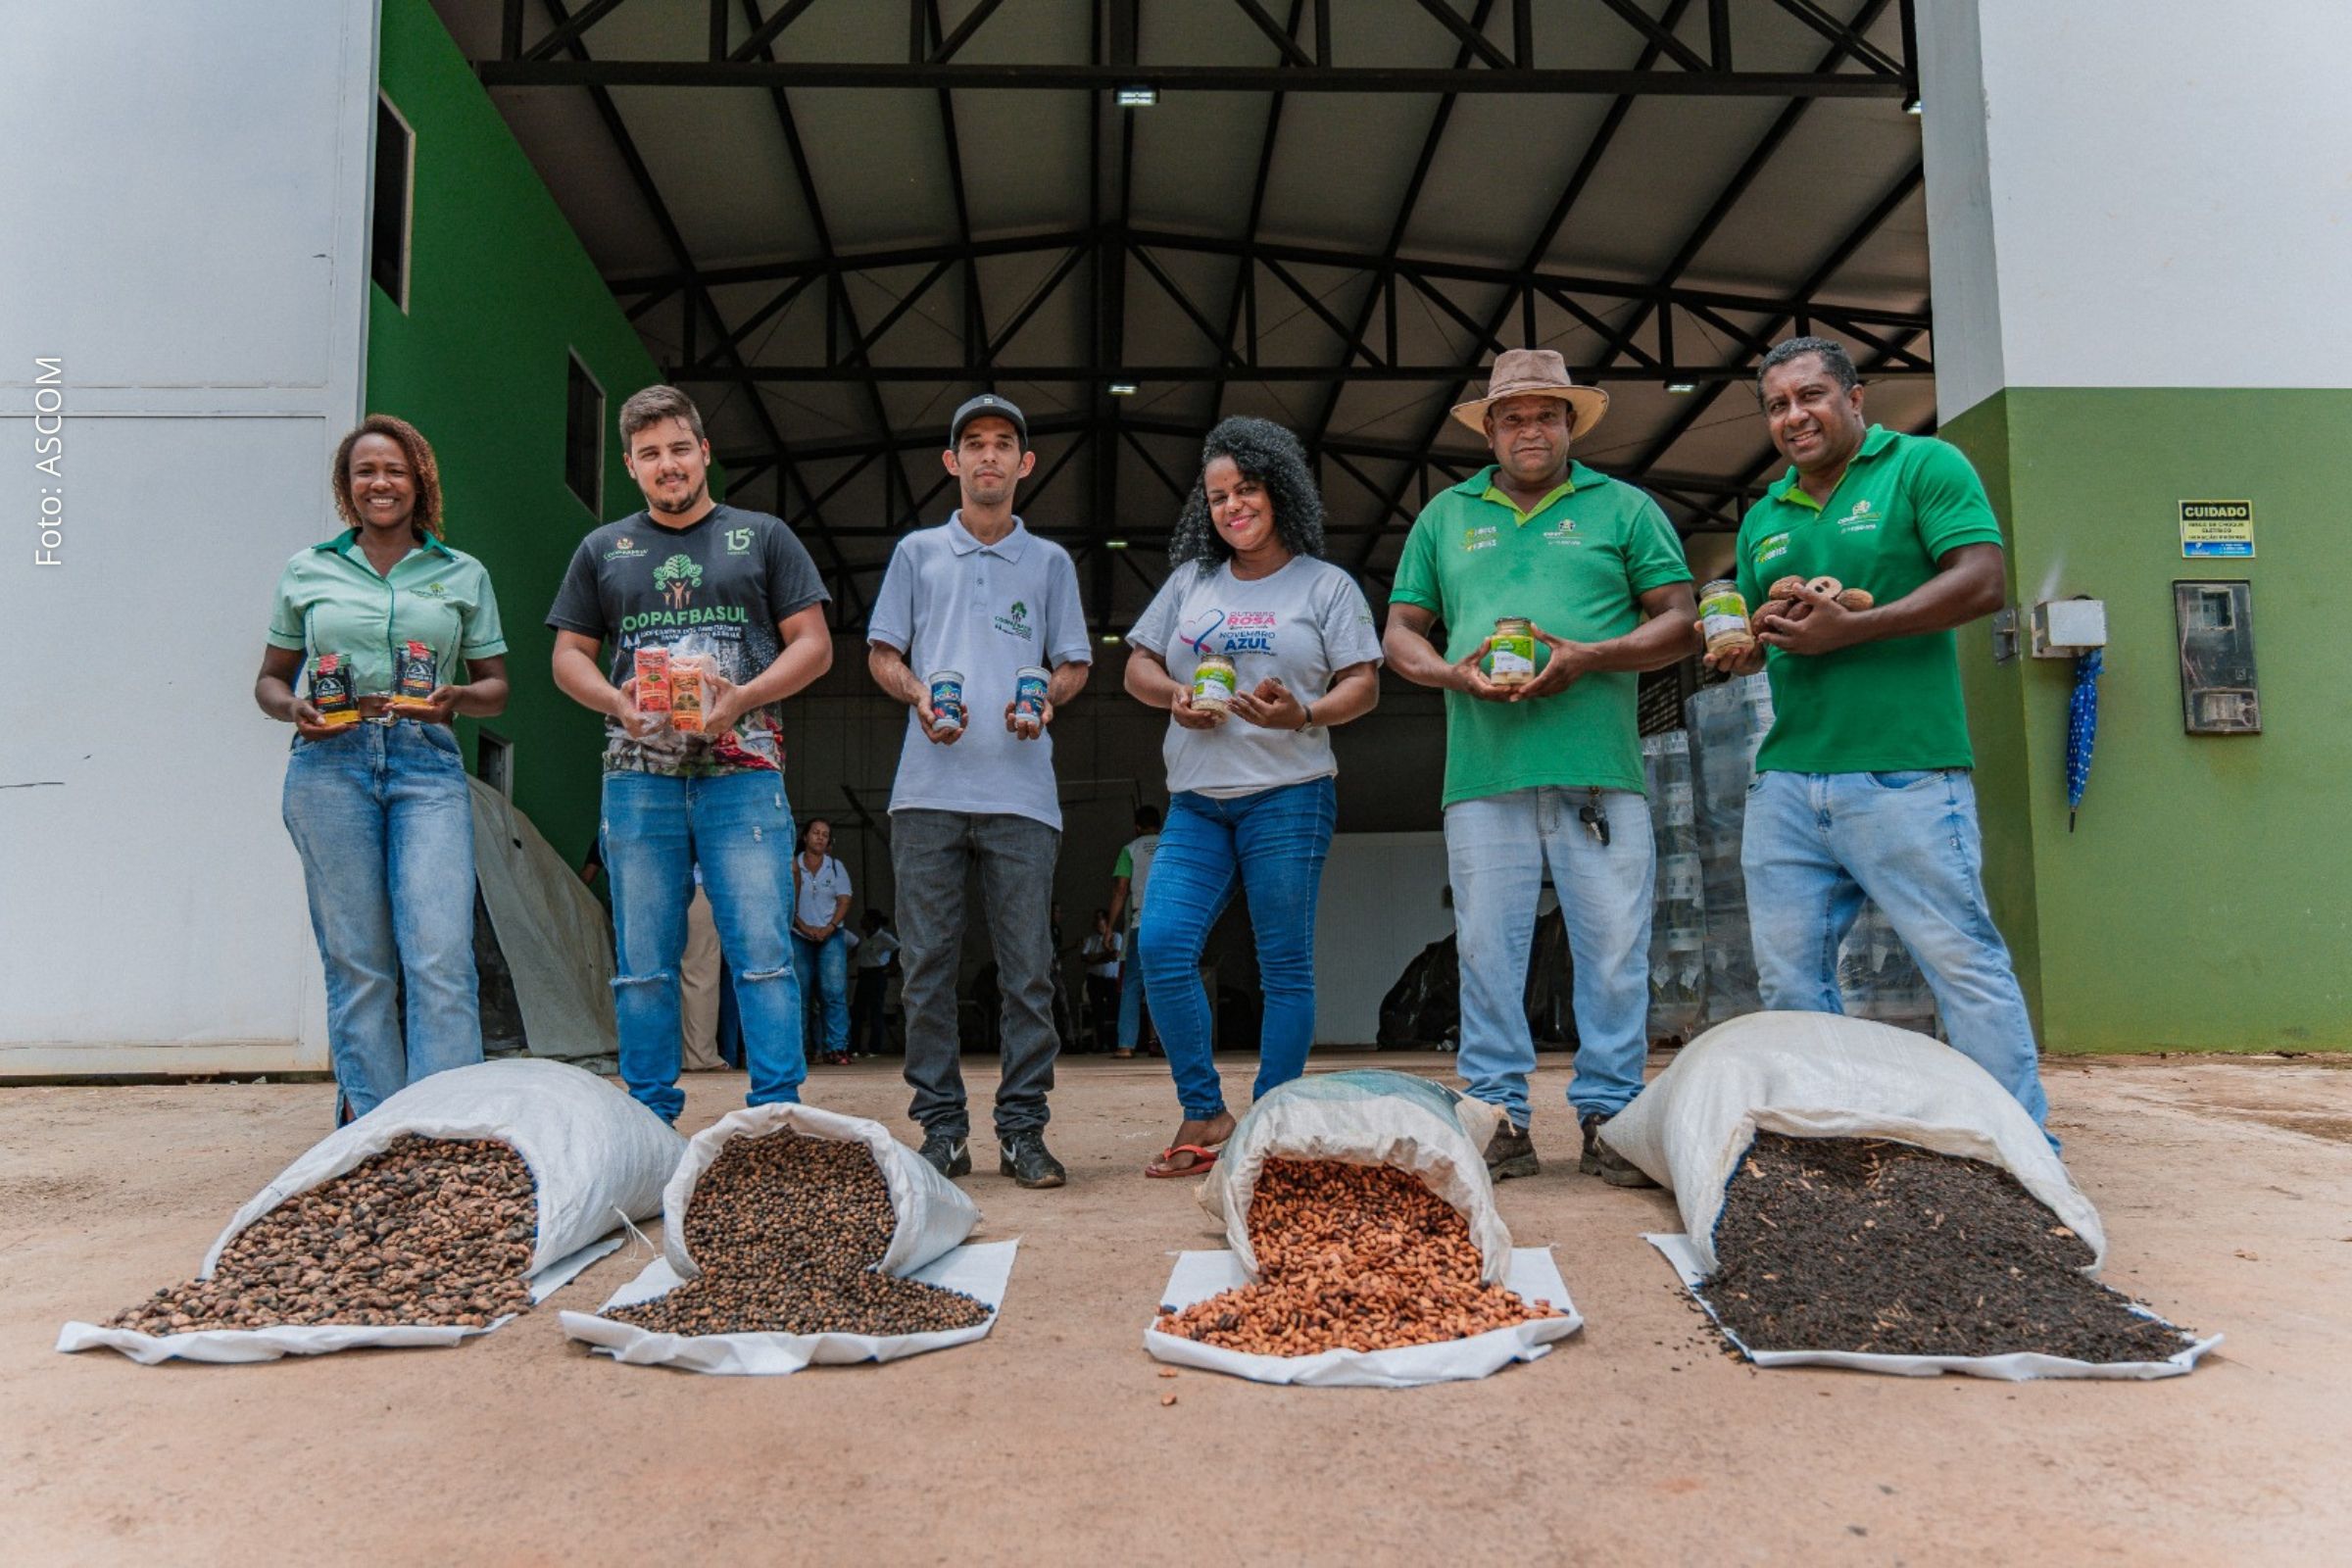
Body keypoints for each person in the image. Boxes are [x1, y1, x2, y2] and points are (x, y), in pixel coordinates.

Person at [1708, 336, 2054, 1135]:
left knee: (1960, 964)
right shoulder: (1765, 515)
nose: (1795, 416)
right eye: (1778, 405)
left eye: (1811, 396)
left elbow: (1981, 580)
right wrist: (1750, 639)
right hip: (1790, 777)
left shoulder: (1923, 467)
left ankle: (2015, 1146)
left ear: (1856, 399)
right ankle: (1837, 1139)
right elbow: (1768, 638)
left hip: (1906, 773)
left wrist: (1855, 631)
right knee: (1790, 983)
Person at [1383, 348, 1699, 1184]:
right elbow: (1400, 634)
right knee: (1488, 950)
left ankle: (1611, 1116)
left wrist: (1591, 655)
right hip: (1485, 772)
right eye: (1513, 416)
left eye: (1547, 414)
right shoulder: (1446, 516)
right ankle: (1499, 1116)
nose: (1531, 429)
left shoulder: (1623, 508)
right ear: (1489, 430)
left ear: (1571, 425)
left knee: (1613, 948)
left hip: (1598, 770)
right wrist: (1455, 672)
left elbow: (1680, 619)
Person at [547, 384, 832, 1124]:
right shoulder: (603, 549)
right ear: (630, 466)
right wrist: (616, 702)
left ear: (704, 453)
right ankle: (648, 1115)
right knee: (643, 964)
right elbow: (568, 656)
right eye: (650, 455)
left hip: (745, 772)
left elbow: (815, 645)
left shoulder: (764, 536)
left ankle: (776, 1113)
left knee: (764, 957)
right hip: (639, 779)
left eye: (679, 449)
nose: (667, 465)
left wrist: (742, 697)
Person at [1124, 416, 1383, 1177]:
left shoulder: (1324, 585)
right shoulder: (1190, 583)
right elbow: (1137, 665)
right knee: (1162, 946)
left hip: (1289, 793)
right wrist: (1173, 694)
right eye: (1217, 496)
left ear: (1281, 490)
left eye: (1246, 489)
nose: (1232, 506)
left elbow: (1362, 685)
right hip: (1198, 798)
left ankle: (1275, 1121)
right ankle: (1205, 1107)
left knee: (1283, 966)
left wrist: (1303, 711)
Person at [255, 414, 510, 1123]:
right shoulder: (310, 569)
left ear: (418, 479)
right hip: (330, 763)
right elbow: (270, 678)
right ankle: (372, 1130)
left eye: (394, 470)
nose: (380, 483)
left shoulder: (462, 574)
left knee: (439, 955)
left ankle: (445, 1130)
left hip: (426, 765)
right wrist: (293, 708)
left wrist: (458, 697)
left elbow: (496, 685)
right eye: (365, 471)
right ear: (348, 487)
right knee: (358, 962)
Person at [866, 393, 1092, 1187]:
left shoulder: (1051, 563)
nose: (989, 456)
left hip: (1023, 795)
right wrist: (919, 694)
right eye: (974, 444)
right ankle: (943, 1130)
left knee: (1028, 970)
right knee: (926, 966)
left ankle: (1024, 1129)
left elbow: (1073, 661)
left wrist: (1049, 698)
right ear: (952, 462)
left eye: (1004, 444)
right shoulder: (918, 553)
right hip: (927, 791)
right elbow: (882, 652)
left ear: (1025, 465)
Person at [791, 817, 855, 1066]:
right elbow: (787, 902)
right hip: (798, 935)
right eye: (815, 833)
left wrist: (829, 927)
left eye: (825, 834)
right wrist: (804, 927)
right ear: (805, 837)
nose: (820, 837)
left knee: (834, 993)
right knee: (800, 995)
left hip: (831, 936)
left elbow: (845, 899)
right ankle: (801, 1050)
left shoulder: (835, 867)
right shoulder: (793, 866)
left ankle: (837, 1048)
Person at [1105, 804, 1161, 1059]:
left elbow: (1120, 891)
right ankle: (1166, 1043)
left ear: (1137, 827)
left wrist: (1109, 928)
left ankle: (1126, 1045)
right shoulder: (1171, 846)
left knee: (1132, 986)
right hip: (1171, 924)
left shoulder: (1130, 850)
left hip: (1142, 923)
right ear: (1159, 825)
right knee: (1168, 985)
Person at [850, 907, 900, 1057]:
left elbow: (898, 948)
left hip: (877, 974)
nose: (861, 921)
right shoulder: (865, 937)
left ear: (872, 921)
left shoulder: (883, 937)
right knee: (857, 1011)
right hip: (863, 974)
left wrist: (892, 967)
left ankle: (874, 1048)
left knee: (875, 1011)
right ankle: (854, 1047)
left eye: (864, 919)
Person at [1080, 907, 1123, 1053]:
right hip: (1095, 980)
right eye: (1096, 919)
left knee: (1115, 1009)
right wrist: (1106, 955)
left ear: (1106, 921)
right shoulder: (1090, 939)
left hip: (1111, 980)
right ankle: (1101, 1043)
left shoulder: (1116, 936)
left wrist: (1096, 957)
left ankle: (1117, 1042)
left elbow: (1115, 955)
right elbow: (1084, 958)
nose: (1097, 922)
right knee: (1097, 1011)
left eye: (1100, 919)